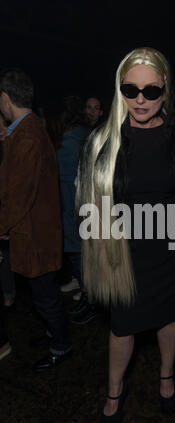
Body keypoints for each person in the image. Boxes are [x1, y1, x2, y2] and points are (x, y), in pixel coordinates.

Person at [76, 47, 175, 423]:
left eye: (151, 91)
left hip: (169, 251)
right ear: (119, 89)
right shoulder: (103, 143)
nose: (140, 99)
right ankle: (113, 392)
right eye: (130, 89)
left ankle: (167, 377)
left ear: (165, 90)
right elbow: (91, 211)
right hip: (123, 254)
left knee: (170, 319)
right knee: (122, 327)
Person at [0, 68, 72, 371]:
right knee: (44, 294)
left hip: (36, 236)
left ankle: (61, 345)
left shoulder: (27, 136)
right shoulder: (27, 129)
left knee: (45, 296)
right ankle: (51, 334)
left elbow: (19, 193)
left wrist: (2, 225)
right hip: (38, 232)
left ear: (5, 99)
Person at [45, 95, 96, 324]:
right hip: (86, 210)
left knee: (80, 259)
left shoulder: (67, 144)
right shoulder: (84, 134)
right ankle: (90, 296)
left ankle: (92, 299)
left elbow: (60, 181)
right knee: (85, 259)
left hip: (74, 212)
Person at [0, 111, 16, 311]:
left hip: (8, 210)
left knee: (5, 257)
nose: (3, 130)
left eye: (4, 124)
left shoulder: (12, 148)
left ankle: (8, 293)